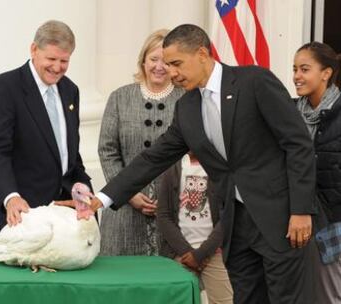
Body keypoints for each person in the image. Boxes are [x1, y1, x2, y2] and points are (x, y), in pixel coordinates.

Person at [88, 24, 317, 304]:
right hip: (236, 226)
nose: (171, 72)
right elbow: (154, 158)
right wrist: (102, 197)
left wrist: (301, 210)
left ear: (201, 54)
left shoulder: (254, 81)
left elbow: (298, 144)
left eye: (176, 63)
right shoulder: (186, 108)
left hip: (282, 220)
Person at [0, 20, 91, 235]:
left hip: (67, 215)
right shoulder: (5, 87)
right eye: (51, 58)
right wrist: (10, 197)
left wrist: (83, 189)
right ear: (33, 50)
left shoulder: (70, 90)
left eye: (64, 61)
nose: (57, 67)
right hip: (23, 215)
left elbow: (69, 154)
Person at [98, 29, 184, 256]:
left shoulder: (187, 98)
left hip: (172, 209)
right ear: (143, 61)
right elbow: (107, 150)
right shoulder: (120, 97)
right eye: (154, 59)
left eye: (166, 61)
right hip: (122, 209)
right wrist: (127, 193)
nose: (159, 66)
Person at [293, 41, 341, 304]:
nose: (297, 76)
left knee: (330, 293)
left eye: (304, 69)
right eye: (295, 69)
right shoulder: (288, 111)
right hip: (294, 219)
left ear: (326, 73)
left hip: (333, 219)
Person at [157, 152, 233, 303]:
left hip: (214, 253)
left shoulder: (221, 166)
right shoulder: (172, 168)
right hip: (179, 255)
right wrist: (188, 253)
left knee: (224, 300)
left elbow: (228, 214)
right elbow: (163, 215)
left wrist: (201, 254)